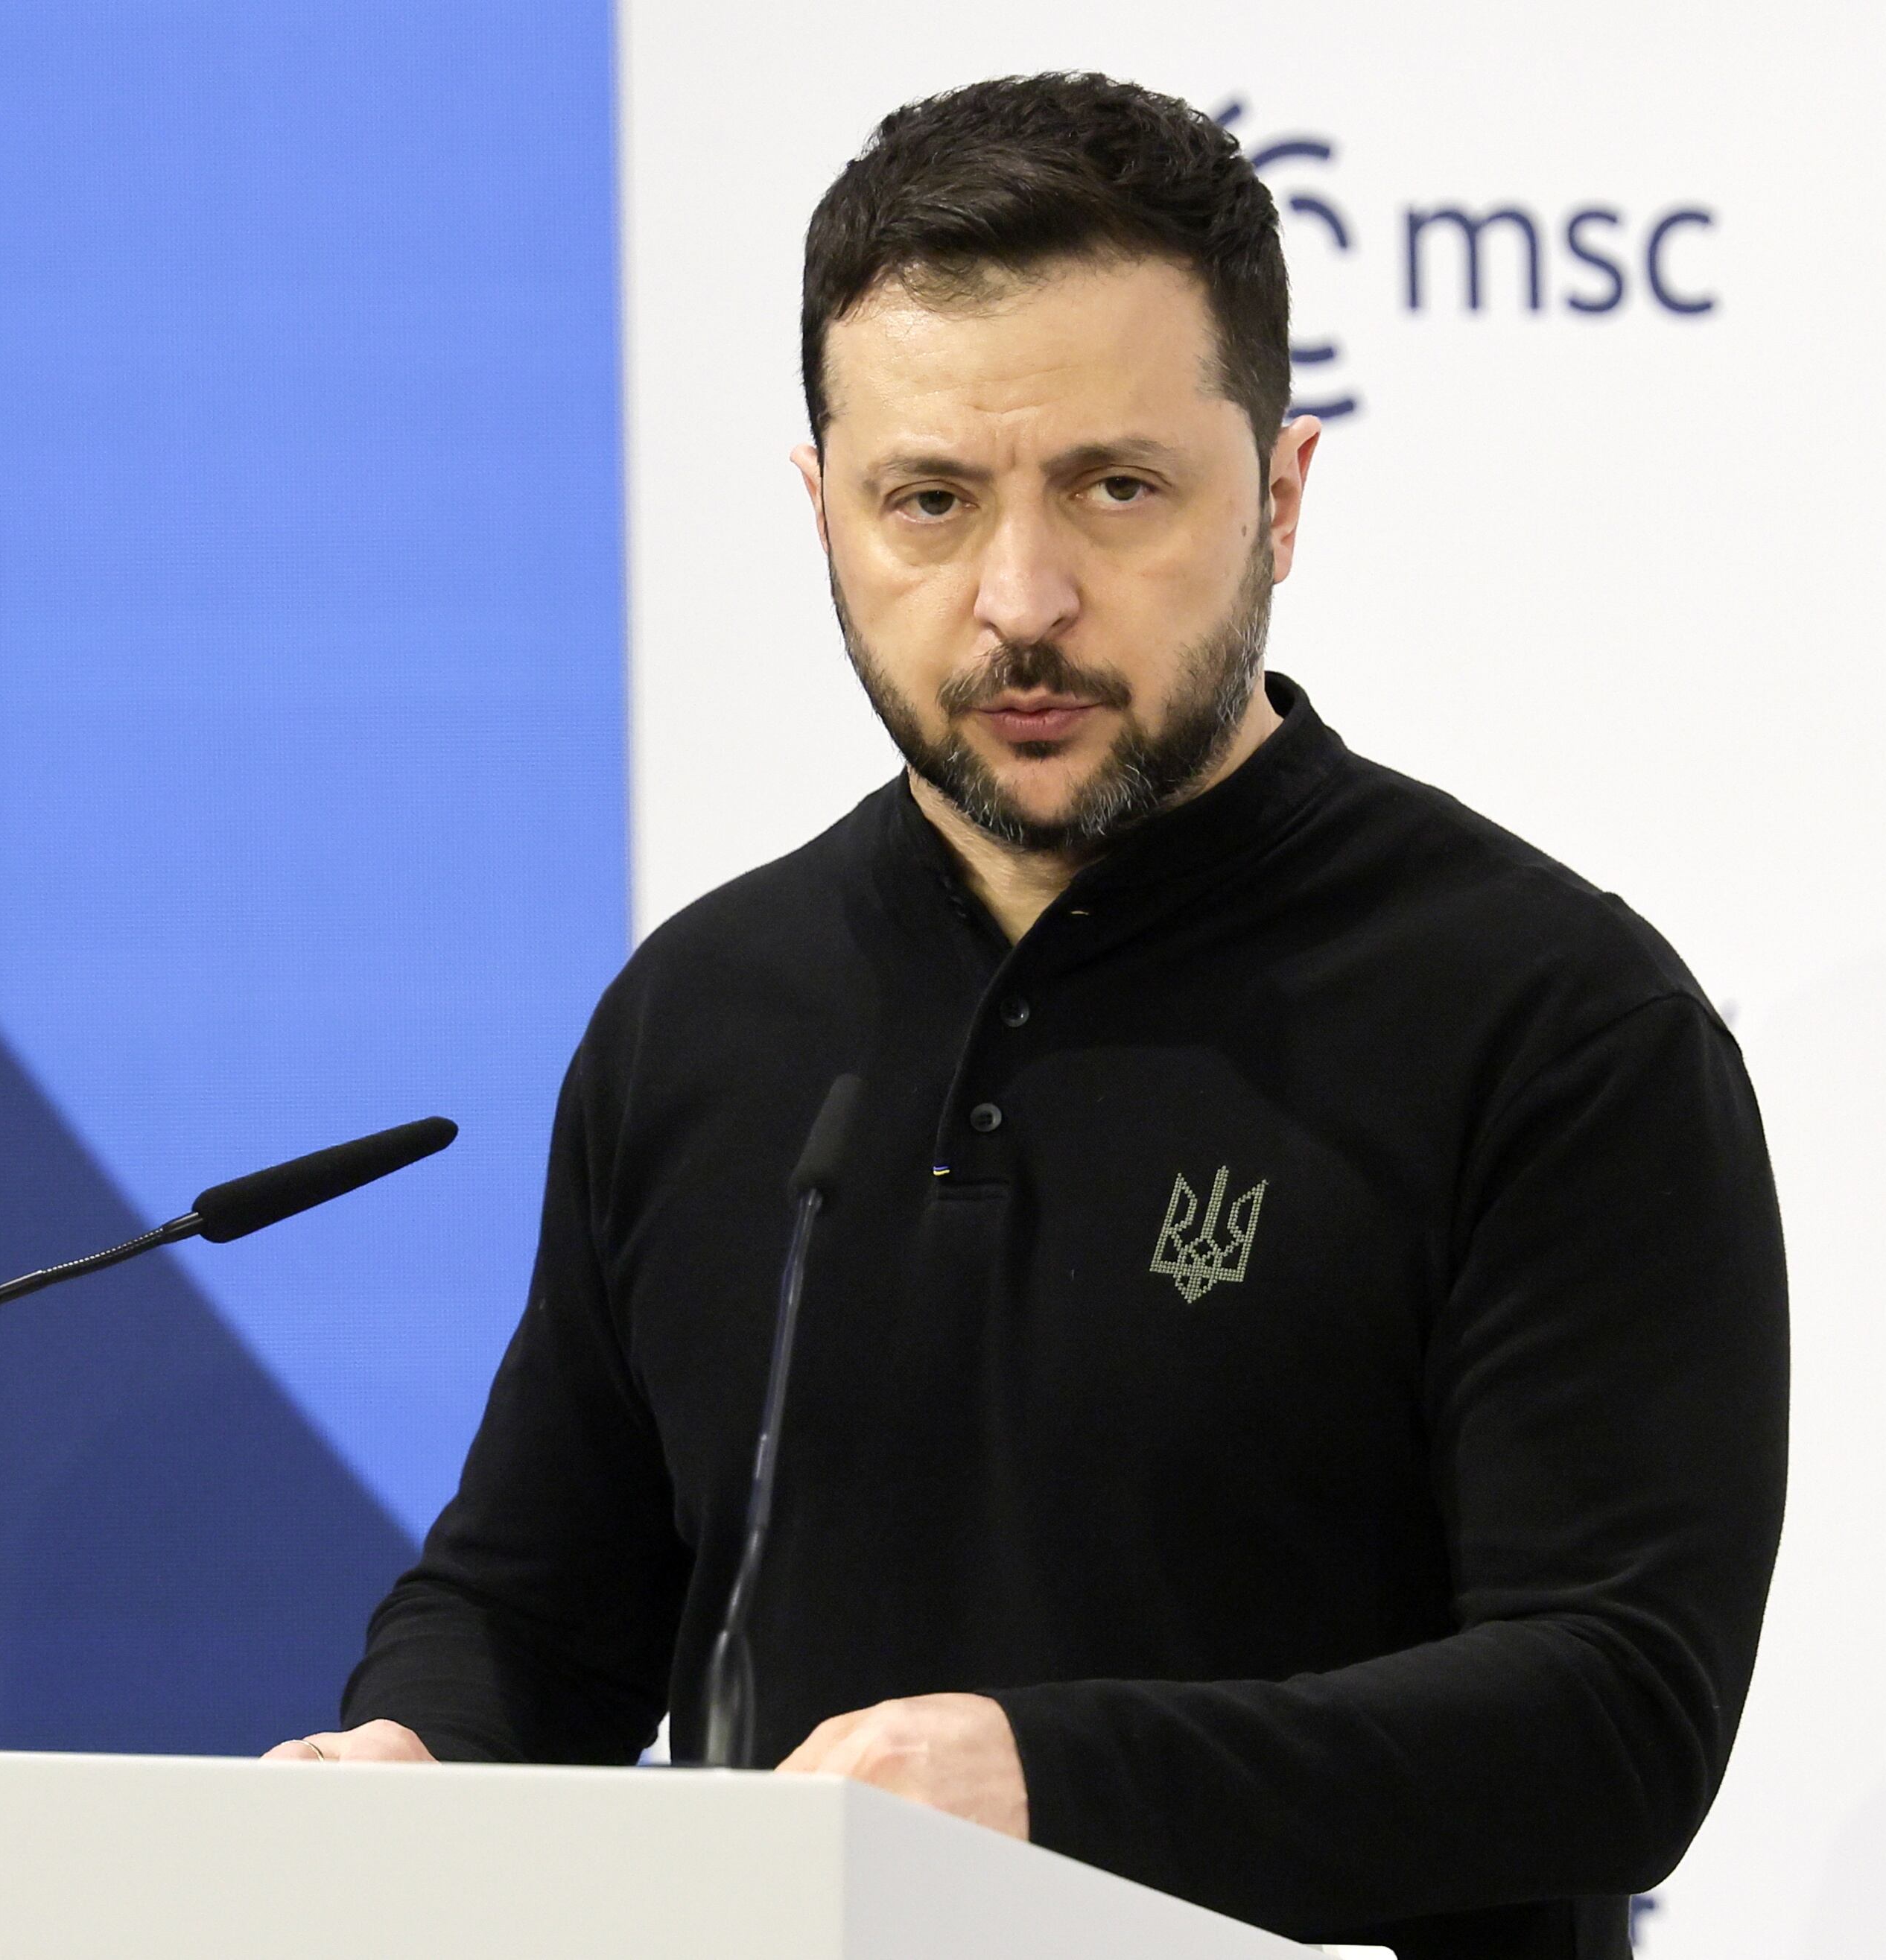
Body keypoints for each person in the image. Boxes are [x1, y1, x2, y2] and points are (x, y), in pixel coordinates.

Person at [267, 72, 1788, 1960]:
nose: (1019, 597)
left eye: (1115, 487)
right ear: (820, 507)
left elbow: (1613, 1714)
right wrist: (426, 1752)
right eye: (927, 501)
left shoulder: (1551, 1019)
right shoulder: (705, 1013)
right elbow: (534, 1603)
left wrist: (1042, 1791)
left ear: (1282, 496)